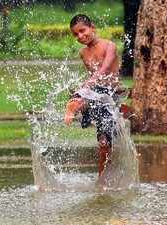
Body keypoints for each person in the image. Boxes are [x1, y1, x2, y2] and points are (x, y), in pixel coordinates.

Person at [64, 14, 121, 177]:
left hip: (110, 96)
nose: (80, 36)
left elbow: (104, 69)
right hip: (96, 95)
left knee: (104, 142)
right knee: (104, 139)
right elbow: (92, 76)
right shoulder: (83, 53)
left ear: (92, 28)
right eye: (76, 34)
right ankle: (73, 106)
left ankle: (102, 177)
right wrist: (87, 85)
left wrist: (89, 83)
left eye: (82, 31)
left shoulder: (109, 46)